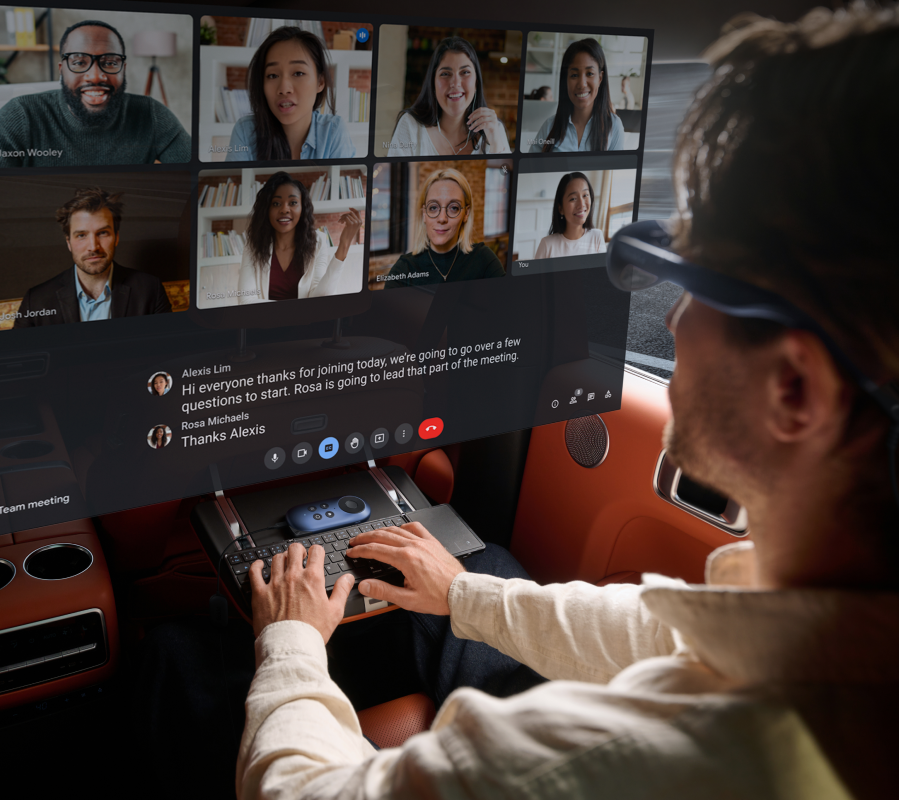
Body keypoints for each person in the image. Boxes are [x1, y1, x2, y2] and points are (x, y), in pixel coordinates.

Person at [236, 5, 899, 799]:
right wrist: (465, 595)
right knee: (490, 564)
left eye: (702, 284)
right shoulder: (836, 632)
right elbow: (669, 630)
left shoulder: (594, 763)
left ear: (795, 390)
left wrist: (291, 641)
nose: (677, 319)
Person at [0, 20, 191, 167]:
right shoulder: (19, 116)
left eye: (110, 63)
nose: (95, 76)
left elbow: (193, 174)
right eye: (79, 62)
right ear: (61, 69)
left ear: (123, 69)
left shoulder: (151, 114)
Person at [13, 187, 171, 327]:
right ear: (69, 242)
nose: (93, 247)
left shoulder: (151, 290)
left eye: (102, 233)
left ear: (116, 237)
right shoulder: (36, 301)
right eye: (81, 235)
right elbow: (20, 355)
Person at [227, 27, 355, 162]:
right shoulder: (245, 132)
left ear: (320, 82)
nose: (284, 88)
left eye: (298, 73)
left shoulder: (333, 131)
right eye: (272, 75)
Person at [236, 171, 362, 303]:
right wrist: (299, 311)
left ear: (303, 208)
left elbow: (321, 297)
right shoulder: (254, 243)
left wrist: (344, 245)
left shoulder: (318, 241)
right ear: (267, 210)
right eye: (276, 203)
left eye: (293, 202)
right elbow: (246, 300)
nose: (284, 209)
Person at [385, 37, 511, 156]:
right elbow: (395, 178)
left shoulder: (494, 128)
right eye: (445, 73)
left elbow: (505, 175)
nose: (455, 83)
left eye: (465, 72)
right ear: (433, 83)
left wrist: (495, 143)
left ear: (476, 83)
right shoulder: (411, 126)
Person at [381, 168, 505, 288]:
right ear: (424, 214)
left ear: (466, 214)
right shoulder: (403, 269)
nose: (442, 218)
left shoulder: (483, 259)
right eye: (433, 207)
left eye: (454, 208)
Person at [529, 38, 625, 153]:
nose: (582, 84)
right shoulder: (549, 127)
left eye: (589, 74)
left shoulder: (614, 127)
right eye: (574, 75)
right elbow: (530, 168)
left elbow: (616, 170)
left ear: (600, 78)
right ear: (566, 80)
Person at [534, 172, 605, 259]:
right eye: (573, 199)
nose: (581, 204)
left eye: (585, 195)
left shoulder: (597, 237)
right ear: (561, 209)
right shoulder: (547, 245)